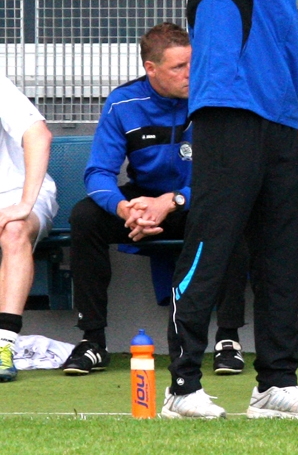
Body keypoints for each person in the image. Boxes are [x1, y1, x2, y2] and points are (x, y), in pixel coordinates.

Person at [161, 0, 298, 420]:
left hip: (279, 124)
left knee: (282, 258)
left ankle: (275, 384)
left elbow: (274, 45)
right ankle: (182, 388)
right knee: (211, 244)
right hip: (229, 116)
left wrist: (296, 101)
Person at [62, 22, 247, 376]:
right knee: (85, 218)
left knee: (232, 211)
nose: (190, 73)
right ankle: (92, 341)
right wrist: (124, 208)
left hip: (198, 200)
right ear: (151, 68)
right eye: (179, 67)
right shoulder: (123, 102)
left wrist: (174, 200)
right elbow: (98, 172)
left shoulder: (215, 96)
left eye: (194, 63)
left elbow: (230, 175)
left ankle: (228, 340)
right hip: (143, 205)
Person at [0, 75, 58, 381]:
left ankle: (3, 345)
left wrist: (23, 204)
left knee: (14, 230)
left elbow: (39, 135)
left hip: (17, 192)